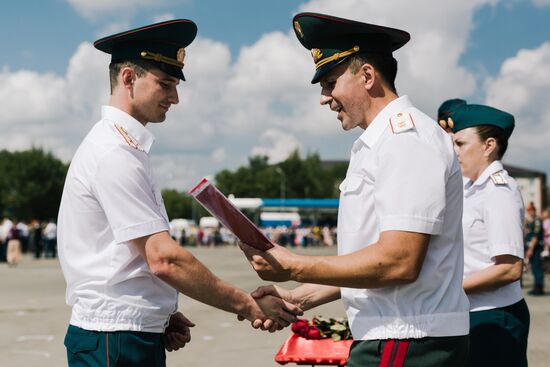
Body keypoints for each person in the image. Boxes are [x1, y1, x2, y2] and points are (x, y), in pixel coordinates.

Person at [57, 20, 301, 367]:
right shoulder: (114, 152)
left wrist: (161, 313)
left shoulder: (123, 147)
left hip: (127, 334)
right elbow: (163, 258)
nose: (175, 97)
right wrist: (247, 304)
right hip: (114, 340)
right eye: (166, 84)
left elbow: (129, 256)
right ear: (128, 78)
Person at [240, 13, 470, 366]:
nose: (324, 98)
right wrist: (297, 298)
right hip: (394, 335)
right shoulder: (378, 142)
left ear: (367, 76)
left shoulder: (404, 139)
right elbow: (368, 262)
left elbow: (399, 261)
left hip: (407, 339)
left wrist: (295, 265)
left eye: (330, 82)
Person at [450, 103, 529, 366]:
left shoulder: (498, 192)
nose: (455, 151)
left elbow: (509, 269)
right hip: (474, 311)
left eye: (461, 143)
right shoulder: (474, 189)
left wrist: (449, 289)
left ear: (488, 146)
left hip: (495, 317)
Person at [525, 202, 545, 295]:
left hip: (536, 249)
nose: (530, 213)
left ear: (534, 211)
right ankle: (536, 287)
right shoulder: (532, 221)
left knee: (537, 268)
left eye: (531, 211)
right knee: (534, 268)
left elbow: (535, 237)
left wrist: (530, 249)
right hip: (534, 248)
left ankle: (539, 288)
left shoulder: (537, 221)